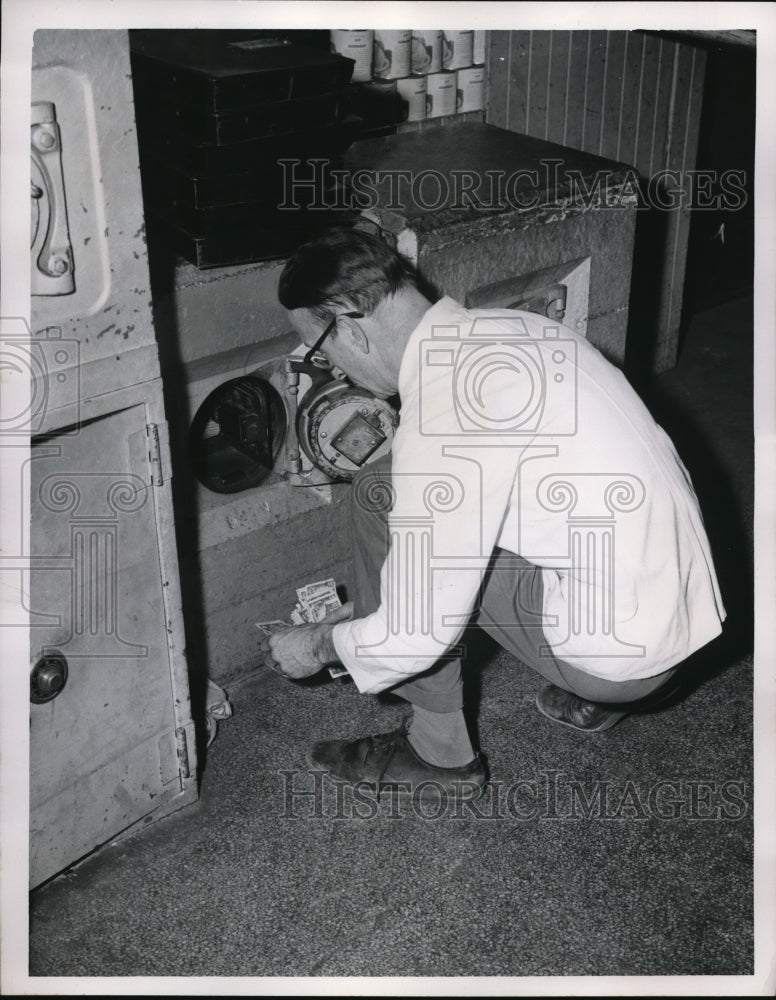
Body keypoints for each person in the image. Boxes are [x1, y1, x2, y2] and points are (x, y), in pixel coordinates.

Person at [265, 227, 725, 801]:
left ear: (351, 329)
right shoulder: (521, 329)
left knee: (377, 491)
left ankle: (440, 754)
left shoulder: (442, 425)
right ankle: (614, 685)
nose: (330, 368)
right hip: (692, 612)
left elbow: (415, 635)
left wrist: (315, 644)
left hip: (625, 661)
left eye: (318, 349)